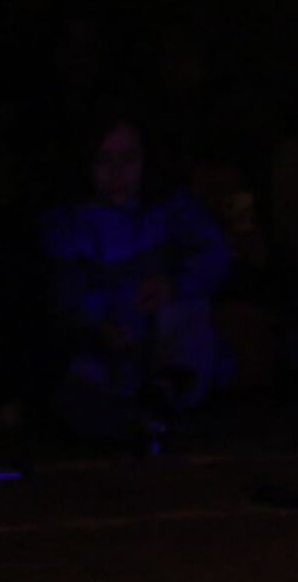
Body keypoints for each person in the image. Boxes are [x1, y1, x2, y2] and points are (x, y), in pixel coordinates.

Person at [42, 116, 230, 443]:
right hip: (104, 346)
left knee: (190, 311)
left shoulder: (172, 208)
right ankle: (125, 423)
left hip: (165, 344)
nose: (117, 173)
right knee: (79, 381)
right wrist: (96, 327)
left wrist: (174, 284)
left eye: (128, 159)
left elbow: (213, 254)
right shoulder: (67, 222)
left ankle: (163, 396)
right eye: (104, 159)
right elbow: (63, 291)